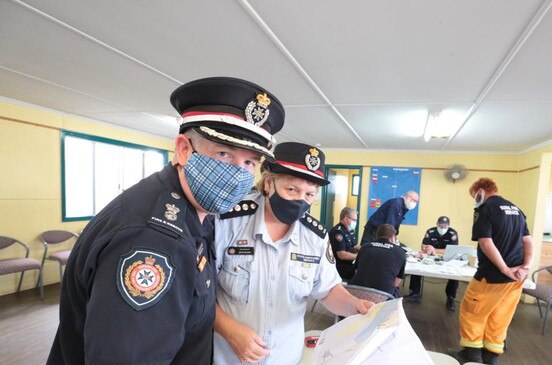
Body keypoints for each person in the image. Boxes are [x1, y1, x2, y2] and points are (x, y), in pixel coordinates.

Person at [47, 77, 285, 365]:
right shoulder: (154, 240)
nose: (238, 173)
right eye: (224, 154)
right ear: (184, 149)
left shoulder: (194, 211)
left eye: (249, 163)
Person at [213, 142, 374, 365]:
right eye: (292, 190)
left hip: (285, 358)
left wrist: (354, 305)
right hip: (228, 357)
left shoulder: (315, 237)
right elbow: (198, 292)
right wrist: (230, 331)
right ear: (269, 183)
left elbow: (327, 290)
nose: (300, 200)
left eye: (309, 194)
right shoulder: (227, 222)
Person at [450, 178, 534, 365]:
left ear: (480, 191)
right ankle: (491, 357)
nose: (475, 199)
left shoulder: (485, 209)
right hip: (515, 279)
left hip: (492, 276)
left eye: (474, 196)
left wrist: (504, 269)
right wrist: (525, 267)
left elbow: (485, 242)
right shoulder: (517, 210)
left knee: (473, 311)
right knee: (500, 315)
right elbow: (528, 241)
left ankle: (470, 355)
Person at [406, 216, 460, 310]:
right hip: (430, 257)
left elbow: (452, 251)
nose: (443, 228)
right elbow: (423, 246)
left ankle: (450, 298)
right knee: (416, 267)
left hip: (447, 259)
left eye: (445, 226)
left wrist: (435, 249)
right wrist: (428, 249)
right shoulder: (431, 231)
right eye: (441, 226)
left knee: (455, 275)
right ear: (437, 224)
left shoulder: (452, 233)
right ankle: (415, 293)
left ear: (448, 226)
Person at [348, 224, 406, 298]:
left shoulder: (365, 247)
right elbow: (397, 282)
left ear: (377, 235)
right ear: (392, 237)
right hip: (383, 295)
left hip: (358, 292)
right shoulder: (400, 252)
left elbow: (356, 271)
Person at [329, 207, 360, 281]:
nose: (355, 223)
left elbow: (355, 245)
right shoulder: (338, 232)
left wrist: (368, 249)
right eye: (354, 220)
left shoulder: (350, 230)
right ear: (346, 219)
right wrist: (359, 256)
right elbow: (342, 255)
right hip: (341, 269)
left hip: (350, 265)